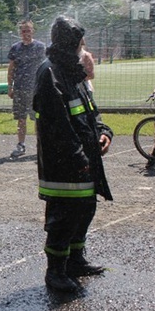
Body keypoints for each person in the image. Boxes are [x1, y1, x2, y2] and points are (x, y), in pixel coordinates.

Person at [33, 16, 113, 293]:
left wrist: (104, 131)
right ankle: (55, 271)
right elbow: (57, 126)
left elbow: (90, 110)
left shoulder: (72, 71)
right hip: (64, 164)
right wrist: (78, 156)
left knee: (85, 209)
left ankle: (75, 261)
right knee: (63, 216)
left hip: (84, 159)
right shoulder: (50, 73)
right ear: (69, 43)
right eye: (79, 43)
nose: (82, 47)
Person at [7, 20, 46, 159]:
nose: (26, 33)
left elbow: (46, 67)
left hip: (36, 90)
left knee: (38, 118)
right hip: (19, 88)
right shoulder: (15, 48)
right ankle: (21, 144)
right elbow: (11, 68)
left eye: (28, 30)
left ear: (32, 31)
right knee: (21, 119)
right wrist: (10, 86)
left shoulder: (40, 47)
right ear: (20, 33)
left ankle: (40, 145)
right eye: (23, 31)